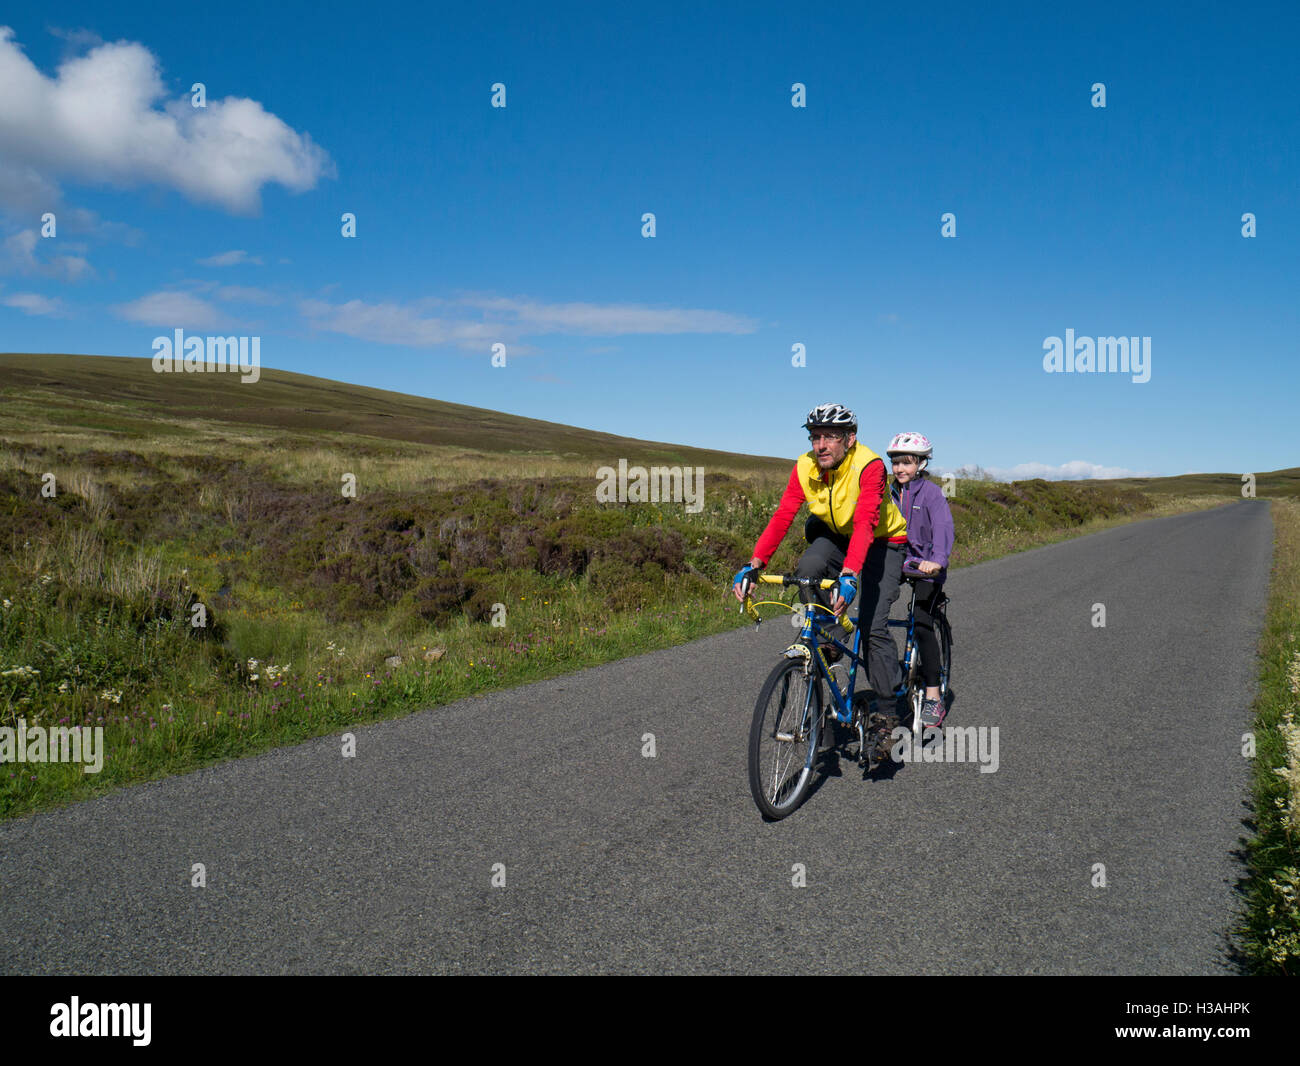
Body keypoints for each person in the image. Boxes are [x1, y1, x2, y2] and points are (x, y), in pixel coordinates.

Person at [732, 403, 909, 705]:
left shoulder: (869, 465)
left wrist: (850, 574)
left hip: (883, 539)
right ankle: (832, 637)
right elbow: (784, 515)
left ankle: (888, 710)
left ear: (850, 438)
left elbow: (866, 522)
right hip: (838, 535)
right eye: (815, 437)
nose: (821, 446)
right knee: (808, 569)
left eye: (830, 436)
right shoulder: (805, 465)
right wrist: (754, 564)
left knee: (872, 625)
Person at [886, 432, 955, 727]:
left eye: (907, 463)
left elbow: (943, 528)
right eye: (896, 463)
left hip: (927, 565)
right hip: (899, 561)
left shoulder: (932, 493)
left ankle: (932, 696)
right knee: (874, 616)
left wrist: (937, 561)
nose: (900, 469)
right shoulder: (889, 492)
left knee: (922, 623)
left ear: (922, 463)